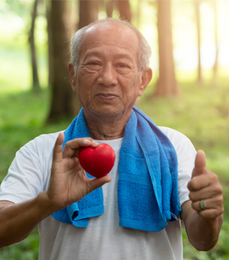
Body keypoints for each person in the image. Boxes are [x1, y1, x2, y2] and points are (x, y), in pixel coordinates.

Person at [0, 18, 224, 260]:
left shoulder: (172, 147)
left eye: (122, 65)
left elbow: (202, 240)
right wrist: (46, 202)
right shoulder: (44, 150)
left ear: (143, 80)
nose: (107, 78)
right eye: (94, 63)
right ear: (73, 76)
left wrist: (208, 213)